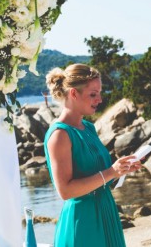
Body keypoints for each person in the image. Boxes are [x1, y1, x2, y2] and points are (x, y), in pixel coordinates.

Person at [44, 63, 141, 247]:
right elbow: (65, 191)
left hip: (106, 212)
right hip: (83, 222)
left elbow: (99, 176)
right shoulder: (60, 135)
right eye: (93, 94)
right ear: (73, 93)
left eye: (99, 93)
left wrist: (120, 171)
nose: (100, 99)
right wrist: (111, 172)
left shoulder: (88, 128)